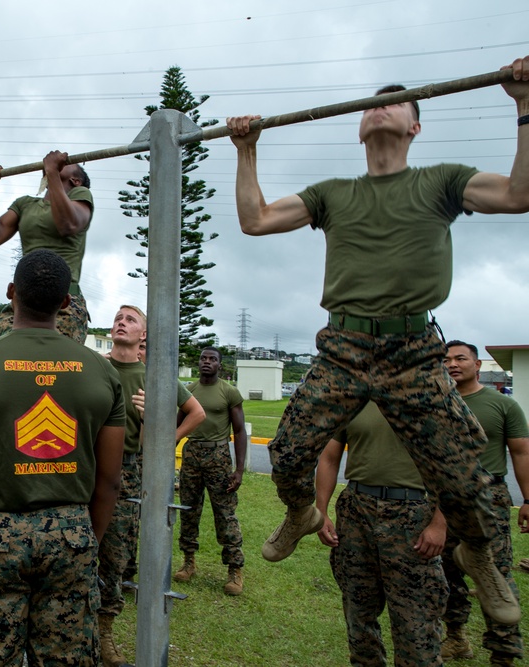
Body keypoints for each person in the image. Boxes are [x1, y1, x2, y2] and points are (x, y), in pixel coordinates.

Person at [226, 56, 529, 625]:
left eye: (395, 101)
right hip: (344, 346)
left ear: (415, 125)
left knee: (465, 473)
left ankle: (479, 555)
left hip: (413, 350)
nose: (378, 106)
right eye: (370, 103)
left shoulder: (443, 181)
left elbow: (519, 194)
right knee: (288, 454)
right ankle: (301, 514)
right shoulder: (333, 193)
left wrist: (523, 104)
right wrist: (247, 150)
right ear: (358, 126)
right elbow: (256, 220)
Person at [0, 249, 126, 666]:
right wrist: (86, 538)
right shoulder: (103, 372)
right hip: (72, 537)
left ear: (11, 293)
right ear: (66, 303)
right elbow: (109, 481)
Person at [98, 305, 204, 666]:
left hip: (129, 470)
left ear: (143, 335)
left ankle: (104, 634)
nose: (121, 323)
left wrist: (159, 430)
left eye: (130, 320)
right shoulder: (94, 367)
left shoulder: (154, 375)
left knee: (115, 557)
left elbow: (197, 412)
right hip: (87, 469)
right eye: (117, 318)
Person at [316, 402, 448, 667]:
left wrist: (439, 524)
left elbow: (454, 467)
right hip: (357, 512)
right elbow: (329, 458)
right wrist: (321, 512)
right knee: (358, 610)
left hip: (412, 515)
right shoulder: (355, 401)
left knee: (415, 619)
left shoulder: (430, 400)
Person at [440, 341, 529, 666]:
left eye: (461, 358)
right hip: (442, 499)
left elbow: (521, 453)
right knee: (446, 571)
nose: (452, 364)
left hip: (488, 498)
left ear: (478, 365)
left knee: (495, 574)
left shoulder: (503, 405)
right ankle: (456, 638)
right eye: (446, 359)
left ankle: (503, 653)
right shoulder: (436, 405)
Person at [0, 150, 94, 343]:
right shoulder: (25, 204)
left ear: (76, 180)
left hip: (62, 297)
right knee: (16, 358)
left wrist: (52, 172)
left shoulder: (81, 196)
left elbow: (68, 224)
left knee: (55, 361)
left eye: (65, 164)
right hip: (25, 294)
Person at [174, 347, 248, 597]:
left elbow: (239, 431)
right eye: (203, 358)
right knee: (188, 510)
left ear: (219, 364)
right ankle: (189, 561)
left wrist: (238, 470)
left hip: (219, 457)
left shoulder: (229, 392)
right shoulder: (189, 391)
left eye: (212, 359)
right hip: (192, 454)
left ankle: (235, 570)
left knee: (225, 513)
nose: (207, 362)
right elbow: (177, 425)